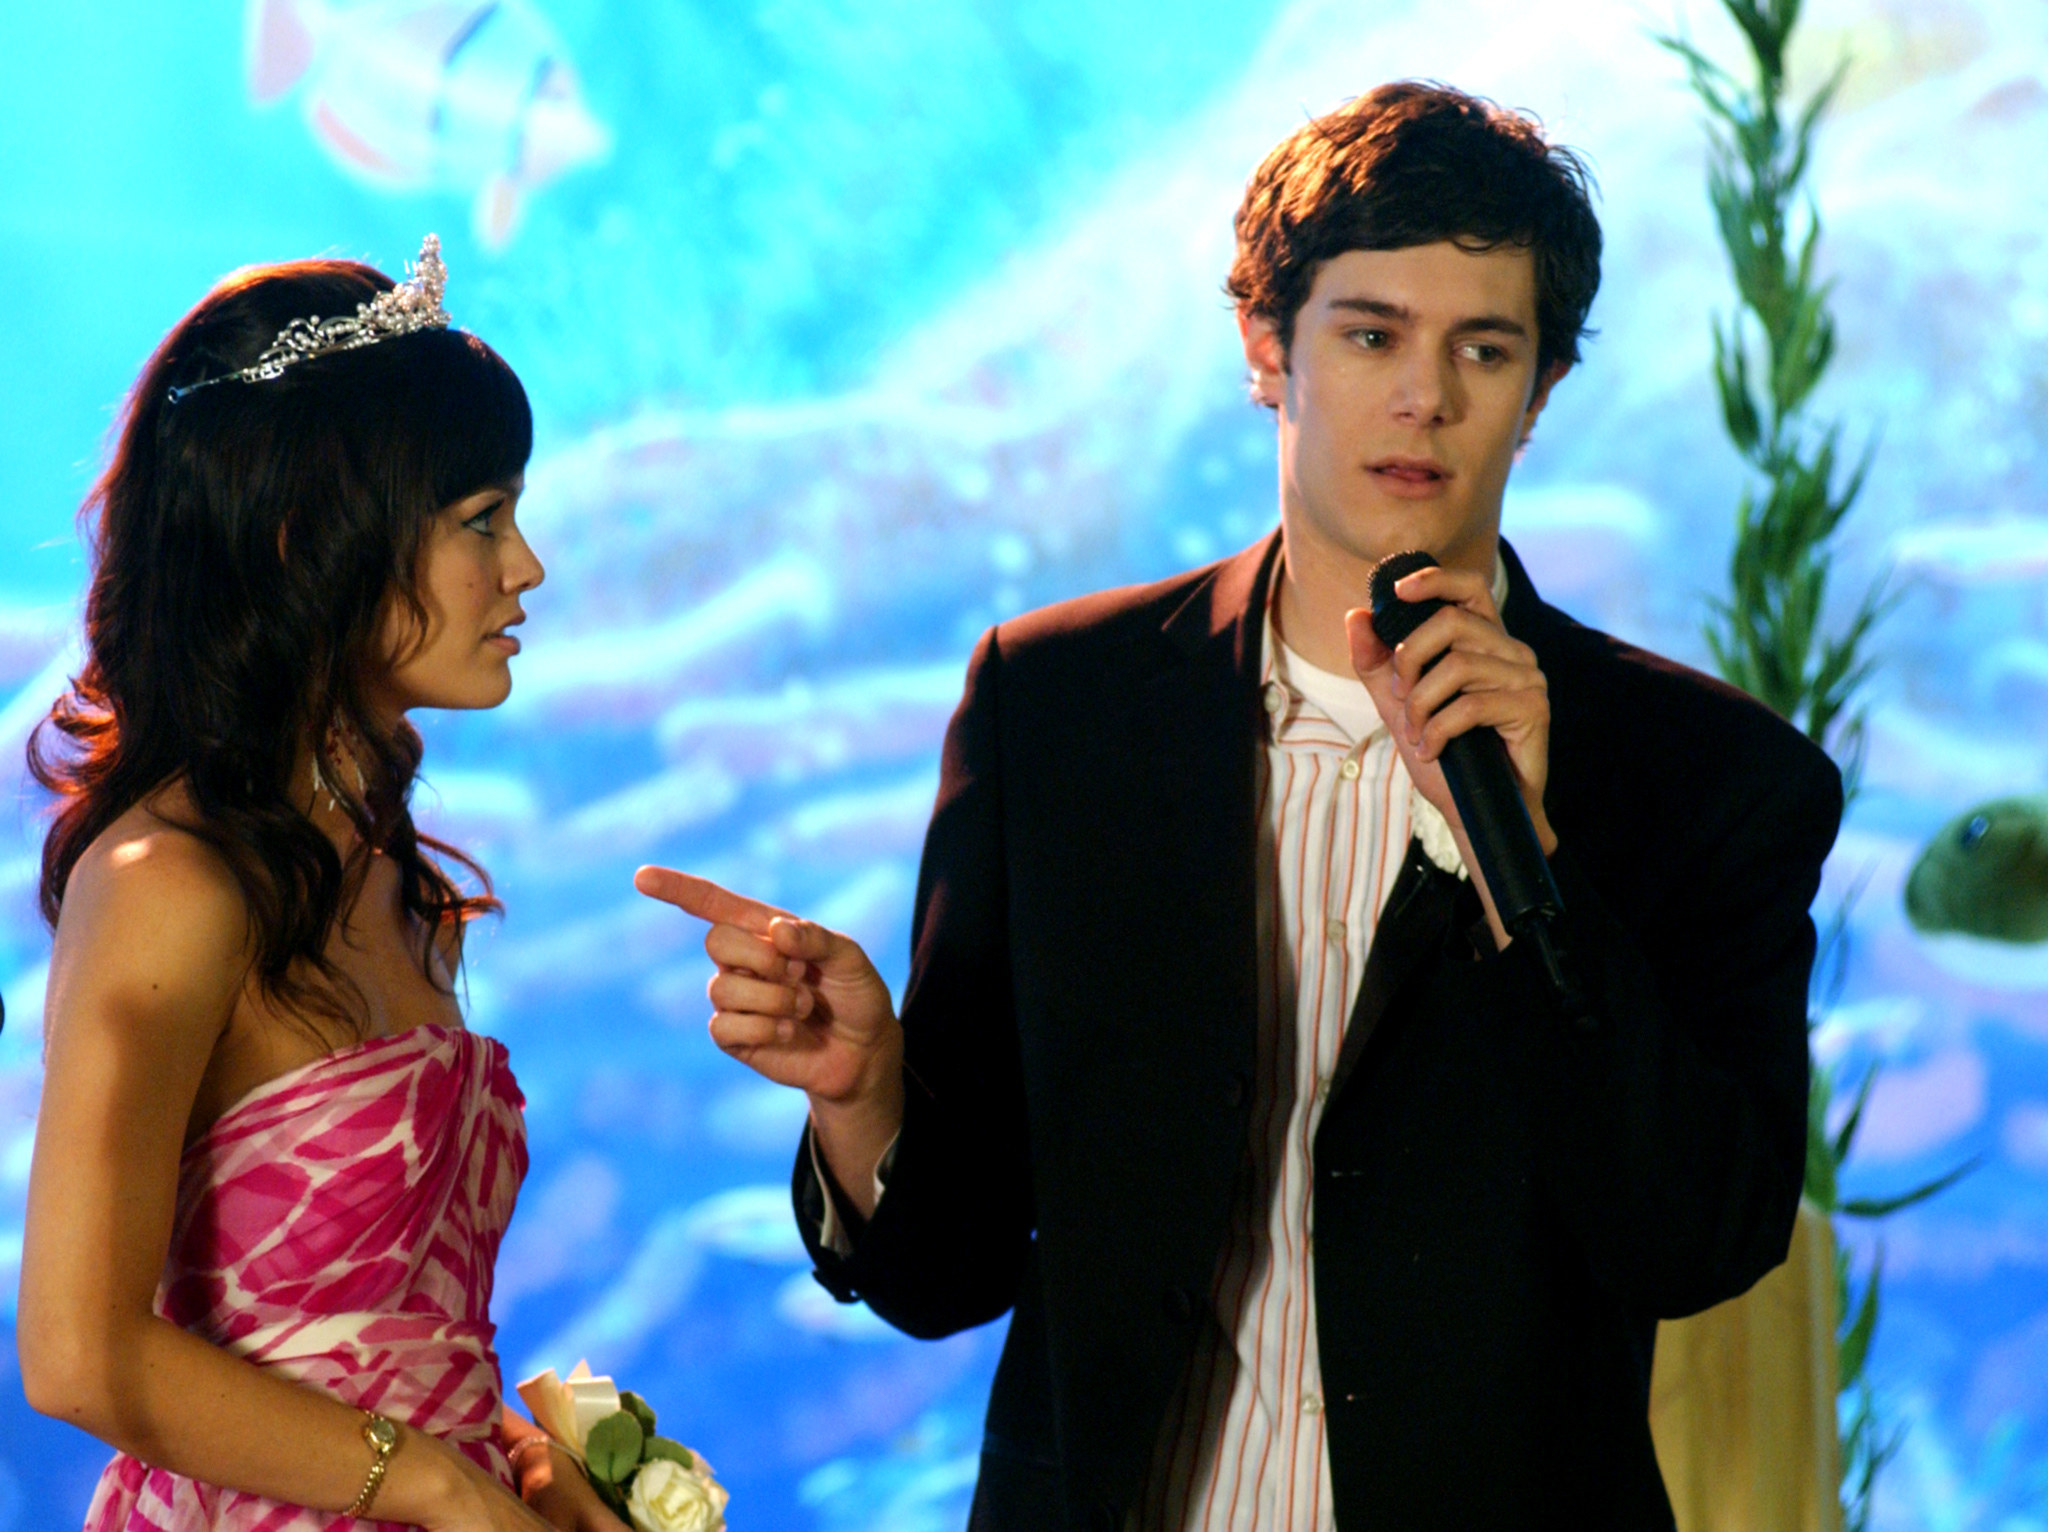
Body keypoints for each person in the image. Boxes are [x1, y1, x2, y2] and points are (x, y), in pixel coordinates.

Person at [637, 82, 1842, 1529]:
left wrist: (1538, 865)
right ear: (1267, 348)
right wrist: (867, 1093)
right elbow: (948, 1274)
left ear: (1541, 393)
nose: (1426, 399)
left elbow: (1696, 1240)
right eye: (1372, 334)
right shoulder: (1057, 703)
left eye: (1485, 349)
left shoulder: (1710, 776)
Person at [18, 238, 626, 1532]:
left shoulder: (392, 875)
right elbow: (75, 1353)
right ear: (308, 541)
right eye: (480, 520)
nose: (525, 569)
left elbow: (384, 1327)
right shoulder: (171, 883)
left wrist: (523, 1467)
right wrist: (427, 1484)